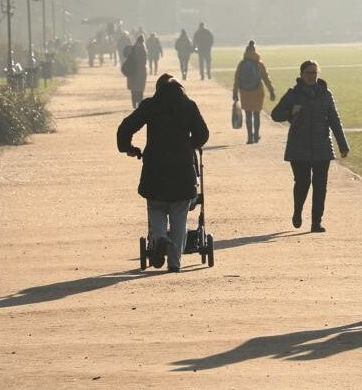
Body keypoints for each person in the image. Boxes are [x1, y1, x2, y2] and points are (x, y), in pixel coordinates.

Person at [116, 74, 210, 272]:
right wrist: (187, 146)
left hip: (155, 168)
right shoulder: (188, 106)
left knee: (156, 208)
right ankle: (174, 263)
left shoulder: (150, 106)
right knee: (179, 215)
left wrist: (129, 148)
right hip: (182, 170)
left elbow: (125, 128)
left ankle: (159, 238)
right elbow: (202, 134)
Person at [271, 60, 348, 233]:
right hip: (299, 147)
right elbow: (276, 115)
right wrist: (291, 112)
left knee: (320, 186)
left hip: (322, 146)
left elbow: (335, 120)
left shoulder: (326, 94)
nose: (312, 76)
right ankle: (297, 212)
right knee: (302, 183)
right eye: (309, 73)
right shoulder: (293, 95)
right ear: (301, 75)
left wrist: (343, 145)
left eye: (315, 73)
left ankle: (316, 223)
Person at [232, 40, 276, 144]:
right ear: (255, 51)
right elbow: (266, 78)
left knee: (248, 114)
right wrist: (271, 91)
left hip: (245, 92)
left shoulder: (242, 64)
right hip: (257, 91)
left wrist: (235, 92)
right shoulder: (259, 63)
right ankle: (256, 135)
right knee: (256, 114)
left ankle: (249, 137)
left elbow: (237, 79)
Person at [122, 35, 149, 109]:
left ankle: (134, 103)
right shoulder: (144, 50)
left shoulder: (132, 49)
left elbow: (125, 55)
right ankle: (139, 103)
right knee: (140, 90)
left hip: (132, 72)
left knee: (134, 90)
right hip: (141, 72)